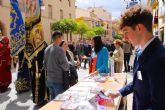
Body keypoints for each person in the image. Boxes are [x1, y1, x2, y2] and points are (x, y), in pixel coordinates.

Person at [106, 5, 165, 110]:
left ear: (139, 28)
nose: (124, 38)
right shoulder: (139, 52)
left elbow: (159, 105)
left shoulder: (159, 58)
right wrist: (119, 92)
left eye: (126, 32)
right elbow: (137, 82)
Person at [44, 31, 69, 100]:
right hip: (57, 80)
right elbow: (66, 67)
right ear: (58, 38)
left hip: (49, 79)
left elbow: (44, 64)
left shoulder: (47, 48)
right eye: (62, 37)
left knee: (53, 100)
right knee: (59, 102)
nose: (62, 39)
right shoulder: (59, 50)